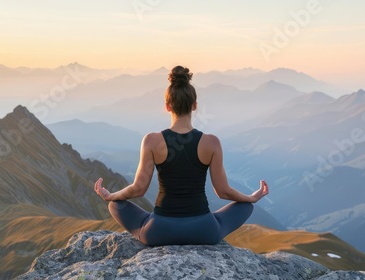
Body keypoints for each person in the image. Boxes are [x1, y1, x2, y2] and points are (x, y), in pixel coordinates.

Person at [95, 65, 269, 246]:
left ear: (167, 106)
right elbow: (223, 192)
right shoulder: (211, 142)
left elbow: (138, 189)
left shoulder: (151, 141)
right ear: (194, 106)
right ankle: (209, 220)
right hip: (204, 231)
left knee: (115, 205)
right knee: (245, 206)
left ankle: (149, 223)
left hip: (159, 231)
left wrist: (111, 195)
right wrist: (252, 197)